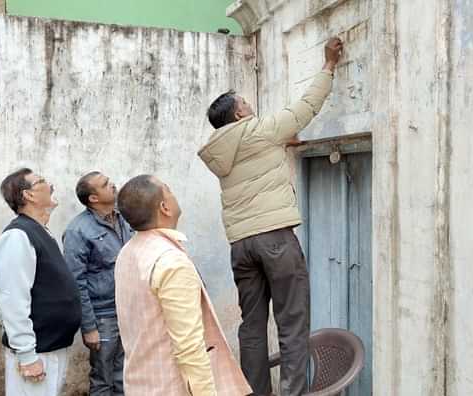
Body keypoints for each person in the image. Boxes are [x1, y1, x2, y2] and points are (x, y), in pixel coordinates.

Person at [198, 37, 344, 395]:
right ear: (238, 114)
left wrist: (279, 143)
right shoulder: (260, 129)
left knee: (251, 326)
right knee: (292, 323)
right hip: (275, 239)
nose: (251, 106)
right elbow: (306, 106)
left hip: (240, 245)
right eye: (246, 103)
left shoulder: (221, 149)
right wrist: (328, 65)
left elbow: (255, 154)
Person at [114, 175, 251, 396]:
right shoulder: (170, 261)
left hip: (140, 384)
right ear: (165, 207)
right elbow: (189, 345)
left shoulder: (128, 252)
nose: (173, 194)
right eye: (169, 190)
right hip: (170, 387)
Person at [0, 168, 81, 395]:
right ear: (28, 195)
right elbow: (13, 299)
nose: (51, 184)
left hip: (52, 346)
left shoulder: (40, 231)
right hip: (37, 352)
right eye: (41, 181)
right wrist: (27, 355)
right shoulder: (17, 236)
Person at [63, 171, 131, 395]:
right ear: (93, 198)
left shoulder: (124, 218)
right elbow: (76, 282)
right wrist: (89, 327)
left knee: (125, 374)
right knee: (103, 378)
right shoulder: (77, 231)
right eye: (105, 184)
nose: (113, 184)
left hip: (128, 310)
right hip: (103, 316)